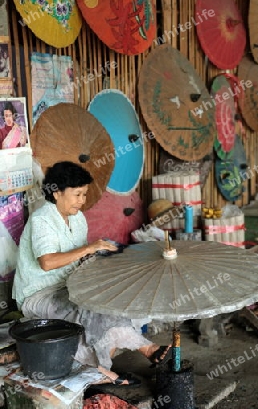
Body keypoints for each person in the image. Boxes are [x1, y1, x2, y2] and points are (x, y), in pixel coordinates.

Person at [12, 161, 171, 386]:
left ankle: (136, 354)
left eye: (84, 194)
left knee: (112, 295)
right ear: (56, 193)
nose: (82, 201)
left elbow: (78, 258)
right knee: (93, 309)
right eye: (77, 194)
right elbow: (47, 262)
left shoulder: (77, 219)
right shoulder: (42, 219)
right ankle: (105, 370)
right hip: (39, 294)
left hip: (69, 284)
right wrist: (88, 249)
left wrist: (107, 259)